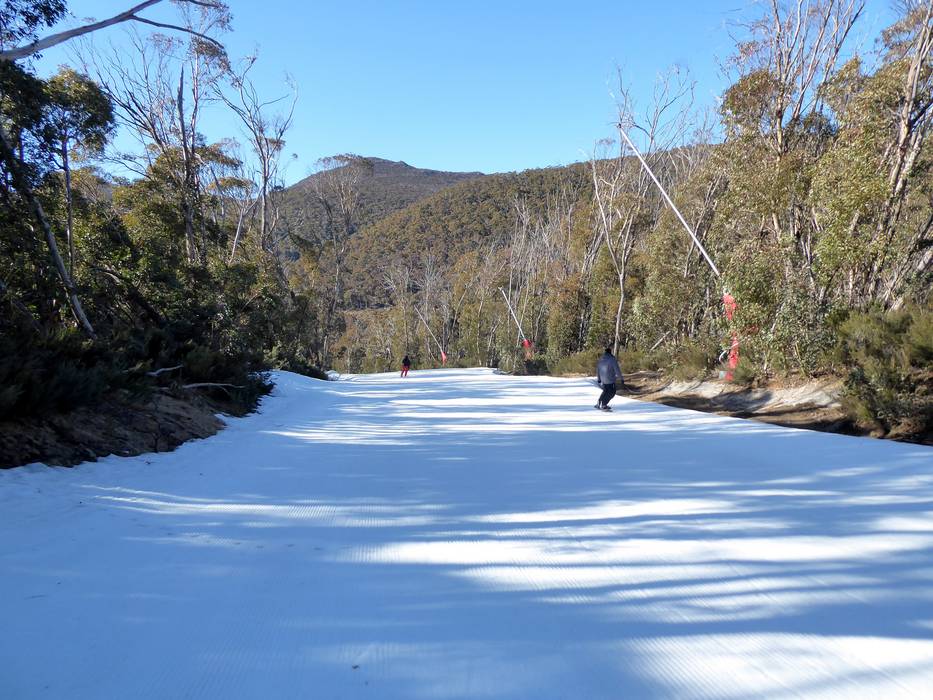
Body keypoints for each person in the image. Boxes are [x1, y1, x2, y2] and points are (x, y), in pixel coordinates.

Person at [595, 347, 624, 411]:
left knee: (605, 391)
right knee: (612, 392)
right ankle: (604, 404)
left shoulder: (601, 359)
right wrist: (621, 378)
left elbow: (598, 369)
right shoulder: (612, 359)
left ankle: (599, 402)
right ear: (610, 352)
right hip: (610, 379)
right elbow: (617, 370)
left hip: (603, 379)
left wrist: (599, 378)